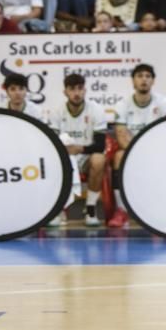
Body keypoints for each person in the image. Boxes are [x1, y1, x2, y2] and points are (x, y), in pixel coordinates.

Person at [107, 63, 166, 227]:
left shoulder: (164, 104)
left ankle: (158, 209)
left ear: (153, 81)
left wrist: (151, 152)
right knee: (119, 156)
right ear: (133, 82)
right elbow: (122, 138)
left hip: (157, 150)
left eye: (147, 76)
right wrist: (141, 152)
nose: (144, 80)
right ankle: (122, 210)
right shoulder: (122, 105)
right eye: (139, 76)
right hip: (131, 150)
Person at [49, 74, 110, 226]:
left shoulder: (96, 110)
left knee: (99, 159)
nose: (76, 93)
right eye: (72, 89)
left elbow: (101, 145)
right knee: (51, 161)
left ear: (85, 90)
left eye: (80, 88)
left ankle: (90, 209)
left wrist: (79, 148)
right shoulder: (56, 112)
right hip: (64, 157)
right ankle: (58, 209)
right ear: (65, 92)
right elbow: (51, 143)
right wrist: (65, 151)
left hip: (85, 157)